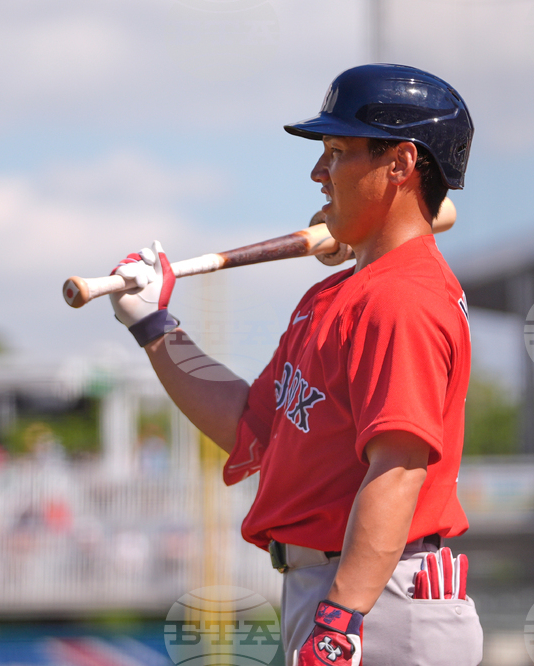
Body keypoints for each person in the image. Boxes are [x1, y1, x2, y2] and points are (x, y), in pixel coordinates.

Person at [108, 64, 482, 665]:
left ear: (400, 165)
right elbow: (251, 422)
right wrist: (153, 325)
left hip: (378, 596)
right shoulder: (333, 297)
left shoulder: (403, 298)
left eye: (337, 151)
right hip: (335, 588)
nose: (318, 172)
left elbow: (399, 469)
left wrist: (341, 616)